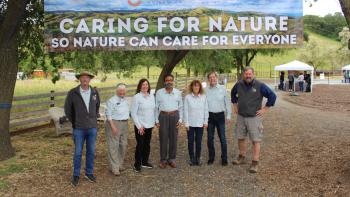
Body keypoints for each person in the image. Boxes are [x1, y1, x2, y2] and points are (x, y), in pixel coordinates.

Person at [231, 67, 276, 173]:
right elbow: (233, 94)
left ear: (253, 74)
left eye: (250, 74)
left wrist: (265, 108)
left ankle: (255, 162)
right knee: (240, 137)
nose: (248, 76)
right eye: (246, 74)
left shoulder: (260, 85)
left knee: (256, 140)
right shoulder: (239, 84)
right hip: (241, 116)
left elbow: (272, 96)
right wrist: (234, 104)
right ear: (243, 75)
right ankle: (241, 156)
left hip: (254, 117)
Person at [64, 71, 100, 187]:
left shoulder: (94, 92)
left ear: (90, 80)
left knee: (91, 151)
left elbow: (97, 106)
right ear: (79, 79)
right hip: (79, 128)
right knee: (78, 153)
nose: (85, 79)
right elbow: (67, 110)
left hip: (92, 128)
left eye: (87, 78)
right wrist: (75, 122)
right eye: (82, 77)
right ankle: (76, 175)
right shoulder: (73, 93)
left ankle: (89, 173)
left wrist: (94, 118)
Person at [155, 74, 183, 169]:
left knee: (173, 138)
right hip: (163, 116)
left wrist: (180, 119)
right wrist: (156, 120)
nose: (169, 82)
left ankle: (171, 159)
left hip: (174, 116)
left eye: (171, 80)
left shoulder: (177, 92)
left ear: (173, 81)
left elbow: (181, 106)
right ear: (164, 82)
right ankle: (163, 160)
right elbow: (156, 107)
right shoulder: (159, 92)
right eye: (167, 80)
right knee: (163, 138)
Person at [205, 71, 232, 166]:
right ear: (208, 79)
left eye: (214, 77)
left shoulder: (223, 88)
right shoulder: (205, 90)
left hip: (220, 115)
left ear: (217, 78)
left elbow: (227, 103)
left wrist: (228, 115)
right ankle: (211, 157)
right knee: (209, 138)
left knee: (223, 138)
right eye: (210, 77)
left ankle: (224, 158)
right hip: (209, 117)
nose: (212, 79)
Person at [131, 79, 156, 173]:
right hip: (140, 126)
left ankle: (144, 162)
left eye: (146, 84)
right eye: (143, 85)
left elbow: (153, 110)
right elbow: (133, 113)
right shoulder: (137, 97)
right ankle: (137, 164)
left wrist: (154, 122)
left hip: (149, 125)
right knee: (140, 145)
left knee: (147, 144)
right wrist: (139, 126)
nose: (145, 86)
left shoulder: (151, 97)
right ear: (140, 86)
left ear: (148, 86)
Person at [105, 83, 130, 176]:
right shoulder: (111, 100)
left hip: (124, 123)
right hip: (114, 123)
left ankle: (119, 164)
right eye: (120, 91)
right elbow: (108, 114)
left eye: (124, 91)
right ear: (117, 91)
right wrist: (112, 126)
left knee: (123, 144)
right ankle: (114, 168)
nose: (122, 93)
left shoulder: (125, 100)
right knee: (113, 146)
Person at [184, 80, 209, 166]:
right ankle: (192, 158)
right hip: (190, 124)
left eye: (198, 86)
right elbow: (185, 111)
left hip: (200, 123)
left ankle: (198, 157)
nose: (196, 87)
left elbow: (206, 109)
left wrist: (205, 121)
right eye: (194, 86)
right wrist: (186, 123)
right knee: (190, 141)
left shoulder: (203, 97)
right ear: (192, 87)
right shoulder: (187, 97)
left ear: (200, 87)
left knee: (198, 141)